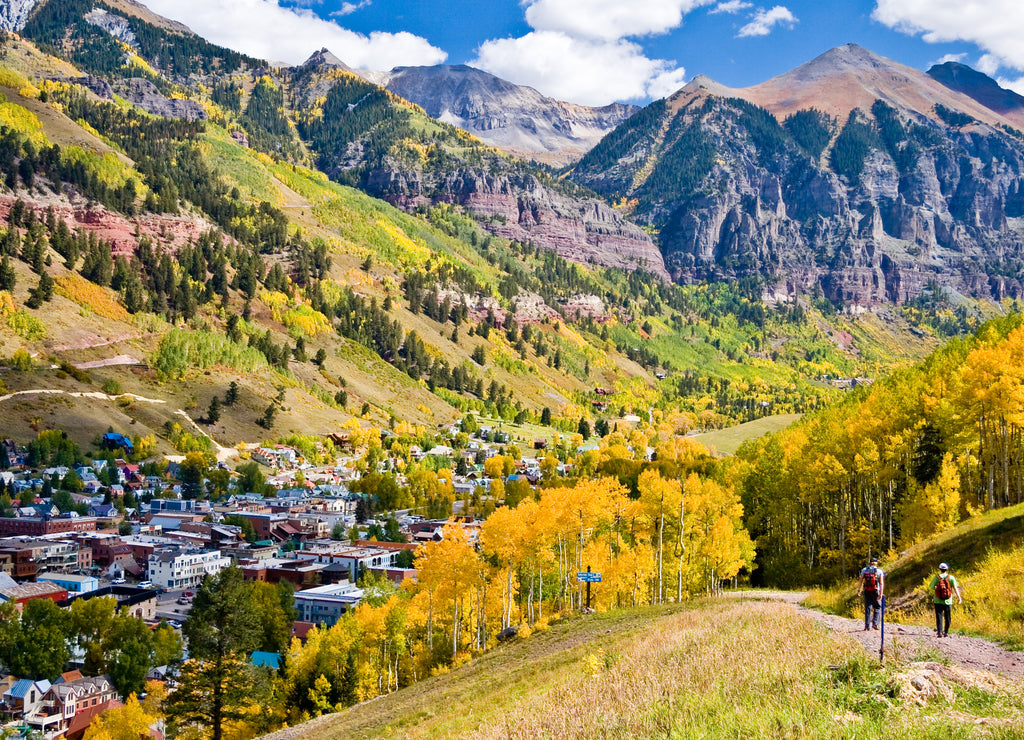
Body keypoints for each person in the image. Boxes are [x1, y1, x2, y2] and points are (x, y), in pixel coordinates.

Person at [929, 562, 963, 637]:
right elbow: (955, 588)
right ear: (947, 569)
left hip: (937, 600)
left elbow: (931, 587)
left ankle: (939, 632)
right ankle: (946, 632)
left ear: (940, 569)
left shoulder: (936, 577)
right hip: (948, 601)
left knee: (939, 616)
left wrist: (937, 590)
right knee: (948, 617)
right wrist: (959, 598)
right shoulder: (951, 578)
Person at [857, 556, 885, 631]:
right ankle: (875, 624)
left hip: (867, 591)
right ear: (876, 563)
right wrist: (881, 593)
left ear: (870, 563)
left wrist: (859, 590)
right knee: (877, 607)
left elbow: (860, 580)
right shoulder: (879, 571)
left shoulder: (864, 570)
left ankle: (867, 626)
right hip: (875, 591)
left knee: (868, 608)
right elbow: (881, 583)